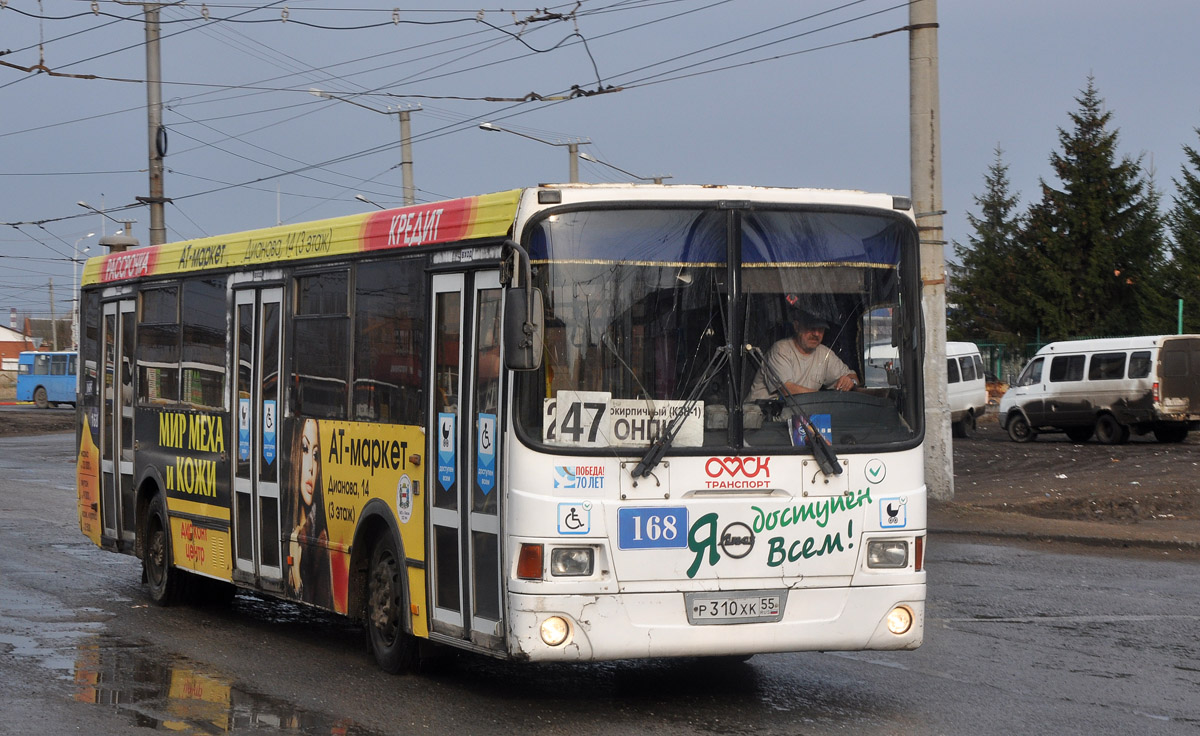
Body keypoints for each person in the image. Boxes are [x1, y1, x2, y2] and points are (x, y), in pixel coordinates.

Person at [747, 308, 858, 401]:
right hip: (761, 421)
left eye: (820, 329)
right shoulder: (781, 350)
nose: (816, 334)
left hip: (801, 419)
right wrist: (826, 398)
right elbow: (787, 390)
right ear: (796, 327)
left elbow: (853, 377)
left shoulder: (825, 354)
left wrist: (850, 382)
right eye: (811, 328)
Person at [287, 417, 333, 608]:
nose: (310, 468)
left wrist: (297, 576)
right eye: (305, 449)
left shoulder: (320, 540)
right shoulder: (289, 529)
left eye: (316, 456)